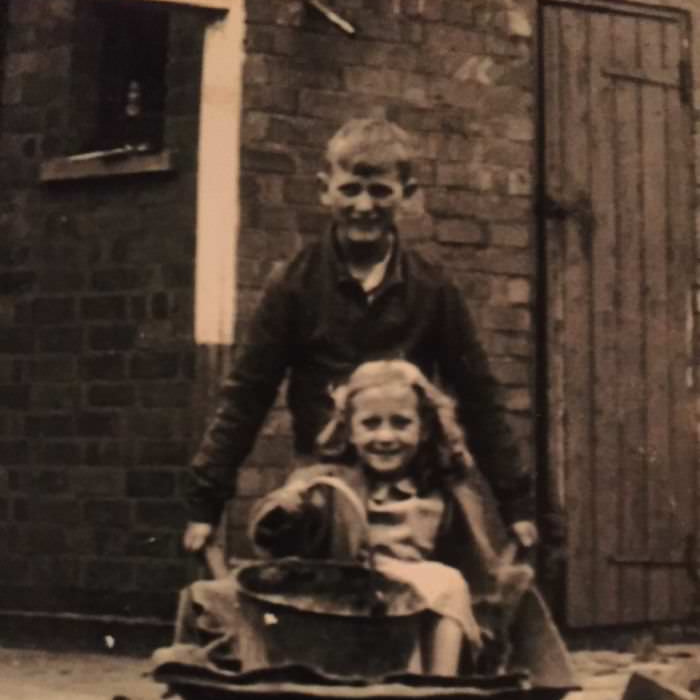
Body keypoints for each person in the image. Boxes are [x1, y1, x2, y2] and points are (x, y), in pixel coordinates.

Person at [184, 116, 537, 558]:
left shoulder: (432, 289)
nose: (364, 206)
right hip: (327, 478)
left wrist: (516, 505)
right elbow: (246, 396)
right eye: (350, 190)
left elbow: (479, 397)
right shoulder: (294, 285)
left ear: (406, 195)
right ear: (325, 189)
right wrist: (206, 505)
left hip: (413, 484)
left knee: (456, 591)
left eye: (380, 191)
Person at [248, 360, 533, 676]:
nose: (385, 436)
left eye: (400, 423)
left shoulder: (443, 493)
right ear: (349, 431)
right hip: (347, 606)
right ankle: (403, 691)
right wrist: (287, 510)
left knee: (447, 584)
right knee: (408, 597)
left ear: (424, 429)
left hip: (424, 605)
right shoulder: (330, 484)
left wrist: (493, 601)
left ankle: (442, 684)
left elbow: (474, 565)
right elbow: (280, 538)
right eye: (370, 424)